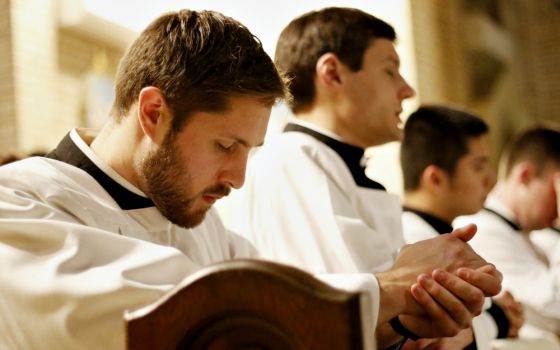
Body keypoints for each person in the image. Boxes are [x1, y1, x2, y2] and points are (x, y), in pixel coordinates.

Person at [0, 9, 500, 350]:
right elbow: (179, 313)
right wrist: (391, 288)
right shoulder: (19, 202)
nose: (238, 178)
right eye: (225, 145)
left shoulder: (199, 222)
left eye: (250, 150)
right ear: (154, 112)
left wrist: (403, 322)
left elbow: (297, 304)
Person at [219, 7, 501, 348]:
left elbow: (386, 316)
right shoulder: (291, 161)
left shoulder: (331, 164)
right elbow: (336, 317)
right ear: (333, 74)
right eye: (390, 71)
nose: (407, 90)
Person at [400, 105, 524, 349]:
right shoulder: (412, 242)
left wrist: (496, 311)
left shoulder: (437, 233)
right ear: (436, 179)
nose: (490, 178)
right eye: (478, 166)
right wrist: (497, 318)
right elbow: (448, 336)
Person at [456, 125, 560, 336]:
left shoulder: (536, 234)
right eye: (556, 188)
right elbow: (554, 309)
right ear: (526, 175)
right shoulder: (481, 230)